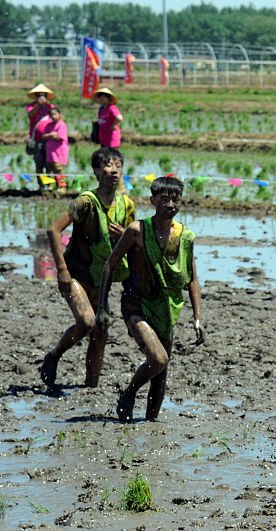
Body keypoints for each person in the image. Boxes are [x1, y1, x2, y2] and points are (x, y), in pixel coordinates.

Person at [96, 176, 204, 422]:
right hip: (136, 304)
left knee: (160, 375)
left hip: (166, 308)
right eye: (164, 199)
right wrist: (103, 307)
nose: (170, 205)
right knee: (158, 359)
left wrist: (197, 318)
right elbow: (109, 265)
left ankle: (151, 425)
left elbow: (193, 280)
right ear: (152, 200)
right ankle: (129, 393)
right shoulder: (137, 231)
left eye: (175, 199)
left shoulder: (186, 237)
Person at [39, 148, 135, 390]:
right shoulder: (85, 202)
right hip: (76, 273)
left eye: (117, 166)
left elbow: (133, 241)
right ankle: (54, 355)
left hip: (101, 278)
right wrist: (61, 271)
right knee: (87, 322)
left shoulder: (126, 205)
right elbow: (53, 230)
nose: (113, 171)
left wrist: (125, 236)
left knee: (101, 330)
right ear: (96, 171)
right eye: (107, 166)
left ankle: (90, 388)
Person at [26, 84, 55, 191]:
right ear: (36, 96)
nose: (42, 97)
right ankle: (41, 186)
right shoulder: (31, 106)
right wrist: (38, 105)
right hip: (37, 140)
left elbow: (57, 117)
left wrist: (48, 106)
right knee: (39, 164)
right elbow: (31, 115)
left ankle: (50, 184)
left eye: (44, 95)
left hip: (49, 141)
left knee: (49, 164)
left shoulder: (51, 107)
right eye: (39, 95)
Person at [37, 106, 70, 196]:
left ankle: (62, 187)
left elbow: (59, 137)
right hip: (50, 152)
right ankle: (50, 186)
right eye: (51, 115)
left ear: (59, 115)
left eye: (55, 114)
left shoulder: (62, 125)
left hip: (58, 152)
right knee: (49, 169)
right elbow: (43, 136)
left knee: (58, 170)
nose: (53, 116)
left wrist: (51, 135)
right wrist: (52, 134)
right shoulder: (49, 125)